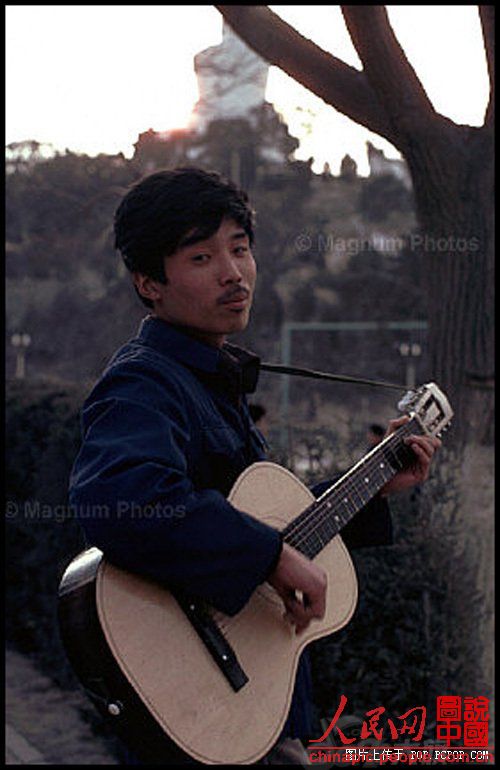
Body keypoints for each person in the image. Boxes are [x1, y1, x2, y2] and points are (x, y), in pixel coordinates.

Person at [68, 167, 440, 765]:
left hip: (254, 708)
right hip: (201, 706)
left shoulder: (213, 381)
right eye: (201, 257)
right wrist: (265, 558)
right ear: (149, 283)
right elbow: (123, 498)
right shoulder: (144, 381)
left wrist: (373, 484)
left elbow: (266, 523)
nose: (232, 272)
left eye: (240, 249)